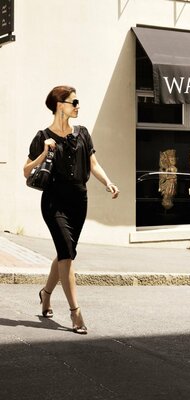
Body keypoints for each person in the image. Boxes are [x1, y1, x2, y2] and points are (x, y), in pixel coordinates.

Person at [23, 85, 119, 335]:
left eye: (78, 102)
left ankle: (45, 294)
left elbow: (93, 164)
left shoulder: (83, 133)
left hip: (79, 200)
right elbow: (25, 171)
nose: (78, 106)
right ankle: (76, 313)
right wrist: (44, 152)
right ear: (59, 105)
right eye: (74, 102)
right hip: (54, 201)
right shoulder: (43, 135)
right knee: (66, 251)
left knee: (67, 253)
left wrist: (107, 182)